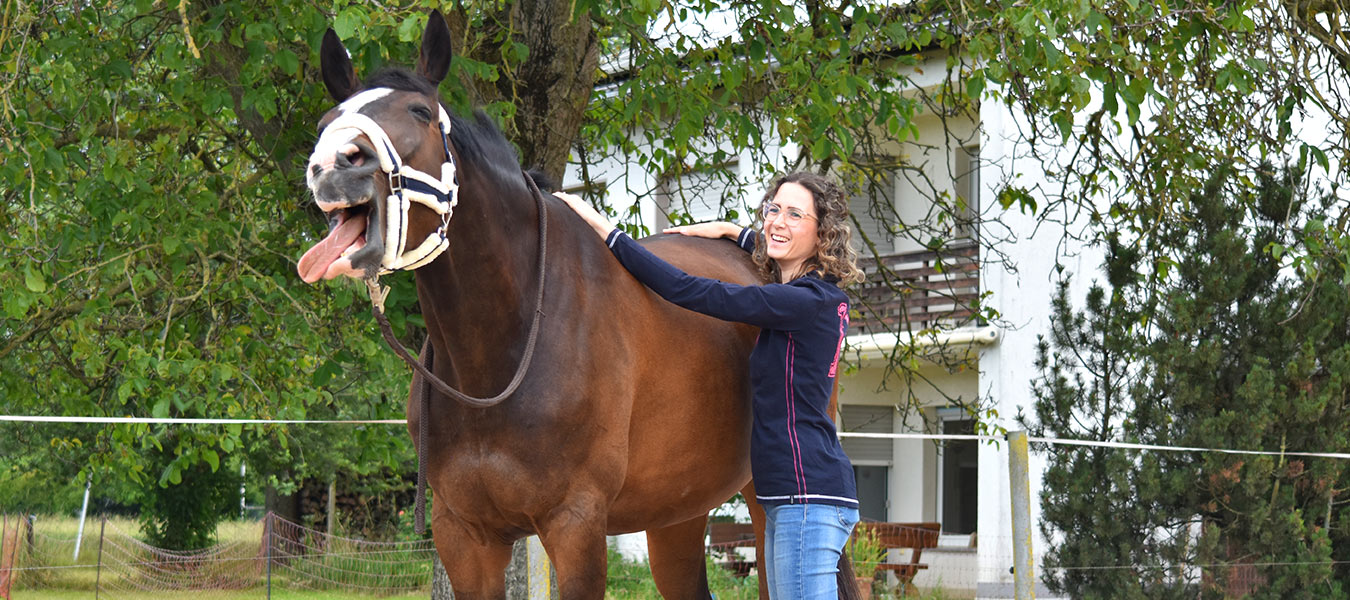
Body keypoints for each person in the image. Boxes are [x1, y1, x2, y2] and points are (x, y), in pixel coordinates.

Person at [555, 171, 865, 599]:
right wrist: (738, 234)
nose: (778, 220)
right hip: (795, 496)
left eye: (796, 214)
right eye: (774, 209)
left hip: (806, 499)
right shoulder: (814, 295)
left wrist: (609, 235)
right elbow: (775, 249)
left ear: (822, 233)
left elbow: (693, 291)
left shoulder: (804, 302)